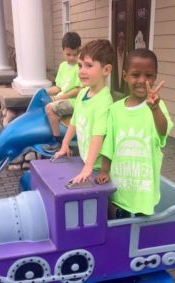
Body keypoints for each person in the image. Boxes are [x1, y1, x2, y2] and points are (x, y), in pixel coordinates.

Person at [96, 49, 173, 219]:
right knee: (119, 230)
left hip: (143, 192)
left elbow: (162, 133)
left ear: (155, 77)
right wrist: (104, 171)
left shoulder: (157, 108)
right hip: (119, 188)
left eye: (149, 75)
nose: (142, 81)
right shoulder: (115, 110)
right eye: (136, 75)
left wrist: (154, 108)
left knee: (140, 234)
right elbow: (110, 144)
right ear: (125, 76)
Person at [54, 39, 114, 184]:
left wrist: (88, 168)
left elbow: (97, 136)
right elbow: (74, 122)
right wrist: (65, 144)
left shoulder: (104, 101)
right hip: (85, 162)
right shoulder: (82, 93)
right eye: (80, 66)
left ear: (106, 70)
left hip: (98, 168)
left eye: (89, 66)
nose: (82, 71)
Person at [44, 32, 82, 151]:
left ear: (79, 50)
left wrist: (63, 96)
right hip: (62, 97)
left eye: (75, 54)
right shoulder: (62, 66)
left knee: (49, 108)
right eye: (68, 54)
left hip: (74, 101)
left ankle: (57, 141)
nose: (71, 57)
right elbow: (59, 87)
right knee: (43, 101)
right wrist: (45, 91)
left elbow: (80, 89)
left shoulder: (80, 67)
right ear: (63, 51)